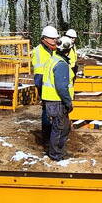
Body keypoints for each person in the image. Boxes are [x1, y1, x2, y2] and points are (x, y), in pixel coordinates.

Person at [31, 25, 73, 161]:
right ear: (44, 39)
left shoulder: (54, 56)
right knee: (58, 127)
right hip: (53, 96)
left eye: (56, 39)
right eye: (52, 39)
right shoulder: (41, 53)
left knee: (59, 126)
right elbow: (56, 84)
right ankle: (54, 152)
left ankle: (55, 149)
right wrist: (67, 101)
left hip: (52, 95)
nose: (55, 41)